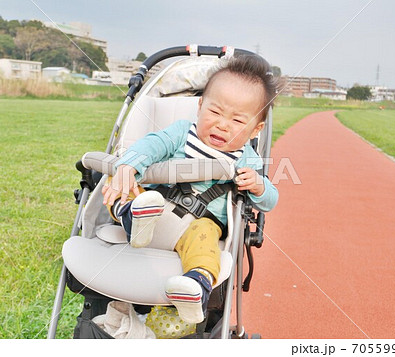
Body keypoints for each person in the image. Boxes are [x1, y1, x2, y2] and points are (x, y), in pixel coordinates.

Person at [102, 55, 279, 323]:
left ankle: (195, 286)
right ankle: (131, 214)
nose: (222, 124)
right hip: (153, 211)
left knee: (206, 240)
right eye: (215, 112)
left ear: (256, 129)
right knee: (118, 179)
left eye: (237, 121)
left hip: (196, 227)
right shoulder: (182, 133)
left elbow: (270, 200)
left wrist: (258, 186)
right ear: (199, 106)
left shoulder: (247, 160)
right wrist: (128, 165)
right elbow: (151, 144)